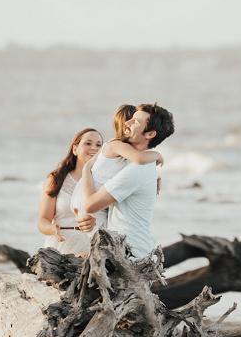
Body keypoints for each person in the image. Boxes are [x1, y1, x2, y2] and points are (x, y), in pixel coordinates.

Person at [78, 103, 175, 260]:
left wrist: (86, 170)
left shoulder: (136, 170)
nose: (127, 123)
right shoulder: (135, 161)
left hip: (130, 254)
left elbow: (90, 204)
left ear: (150, 134)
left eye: (135, 122)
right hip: (127, 248)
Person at [70, 104, 162, 232]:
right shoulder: (117, 145)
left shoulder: (118, 148)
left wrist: (154, 174)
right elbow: (139, 158)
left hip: (91, 197)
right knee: (100, 239)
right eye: (131, 121)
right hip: (89, 198)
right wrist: (157, 155)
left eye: (135, 122)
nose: (130, 125)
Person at [37, 128, 102, 256]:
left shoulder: (104, 182)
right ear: (75, 149)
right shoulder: (56, 178)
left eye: (98, 145)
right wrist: (52, 229)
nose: (94, 148)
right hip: (61, 246)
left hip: (92, 249)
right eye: (88, 143)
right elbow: (43, 220)